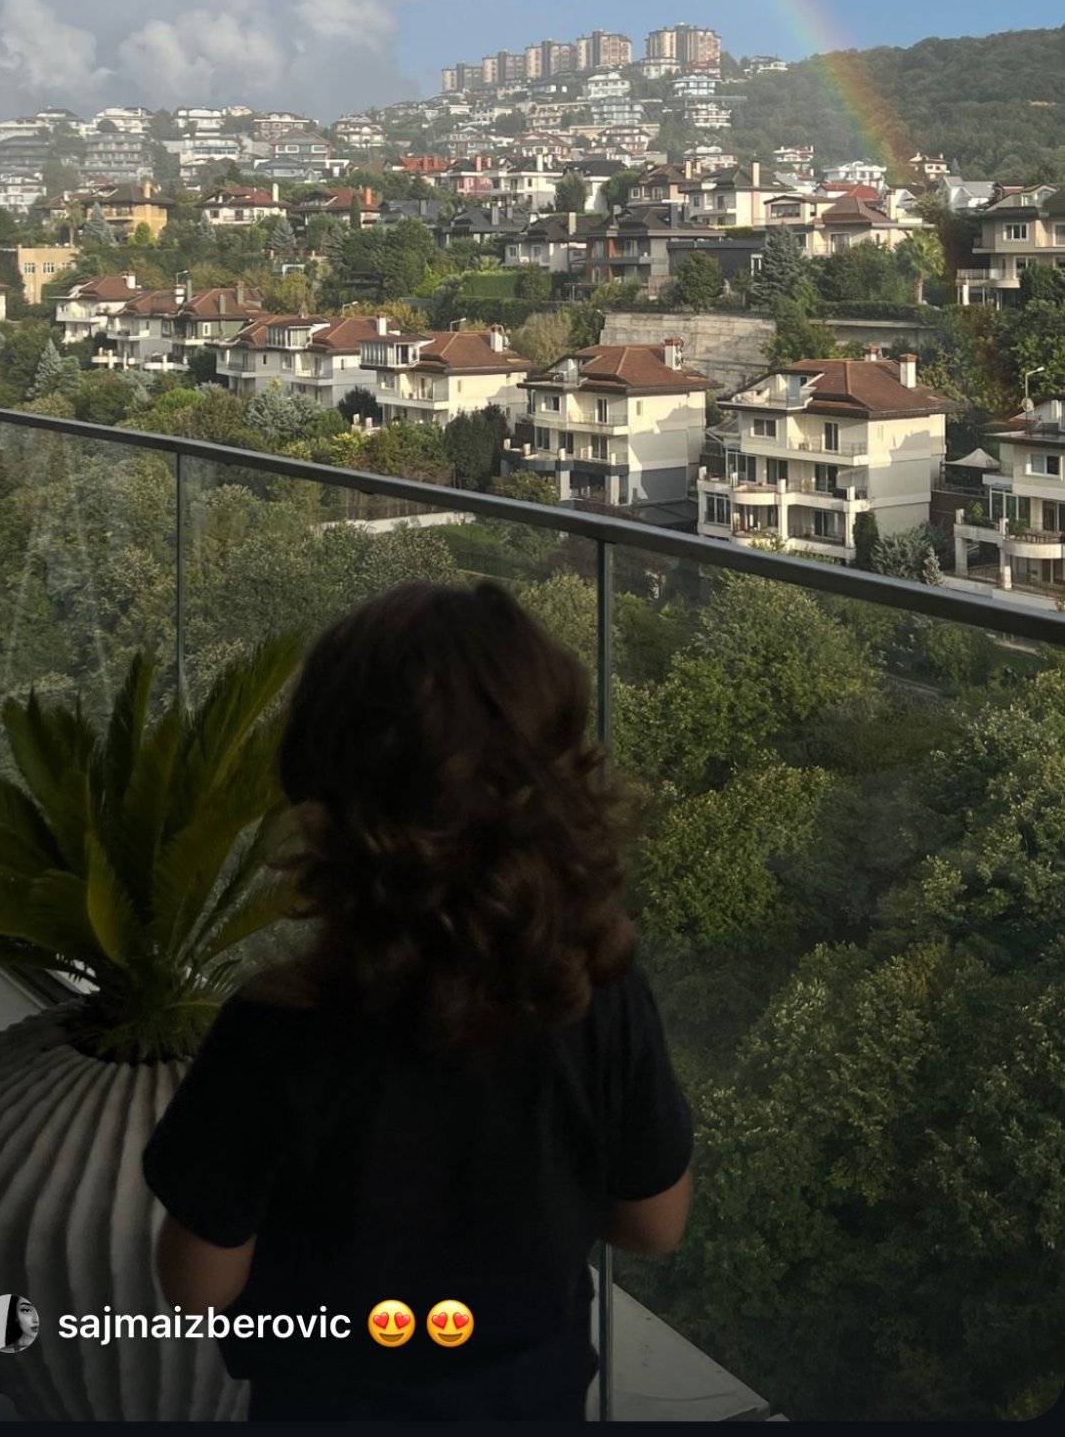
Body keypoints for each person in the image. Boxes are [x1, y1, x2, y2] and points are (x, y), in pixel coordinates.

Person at [143, 582, 693, 1423]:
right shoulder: (600, 997)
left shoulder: (273, 1029)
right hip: (532, 1402)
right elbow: (653, 1226)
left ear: (323, 814)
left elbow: (197, 1285)